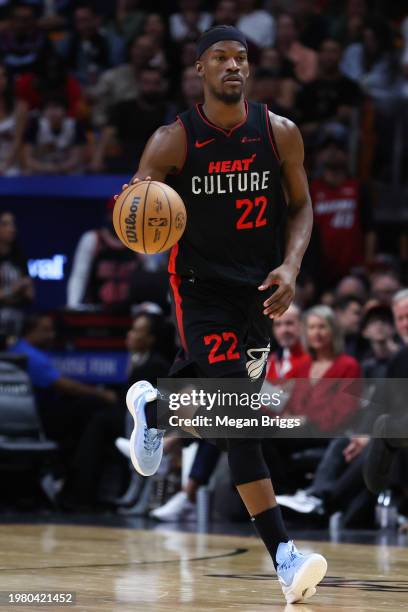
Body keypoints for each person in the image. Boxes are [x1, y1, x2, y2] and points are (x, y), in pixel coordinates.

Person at [115, 25, 327, 604]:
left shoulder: (279, 133)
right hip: (200, 289)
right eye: (220, 58)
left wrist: (290, 266)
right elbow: (135, 206)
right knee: (242, 419)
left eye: (241, 58)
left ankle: (154, 407)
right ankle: (285, 556)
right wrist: (134, 204)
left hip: (259, 290)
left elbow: (303, 206)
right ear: (200, 71)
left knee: (222, 410)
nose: (233, 66)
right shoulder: (173, 140)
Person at [311, 136, 376, 287]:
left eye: (338, 148)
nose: (333, 152)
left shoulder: (359, 187)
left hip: (354, 266)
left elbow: (370, 230)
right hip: (320, 267)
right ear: (319, 156)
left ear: (347, 154)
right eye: (327, 148)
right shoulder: (311, 189)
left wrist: (368, 264)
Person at [22, 96, 86, 175]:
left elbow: (77, 158)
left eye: (56, 107)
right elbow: (28, 159)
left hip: (67, 170)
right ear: (43, 111)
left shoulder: (75, 125)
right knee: (27, 172)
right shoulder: (35, 125)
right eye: (49, 108)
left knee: (78, 173)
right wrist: (47, 168)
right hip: (41, 168)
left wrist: (59, 168)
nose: (53, 112)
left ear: (65, 110)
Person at [0, 210, 33, 340]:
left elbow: (30, 294)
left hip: (16, 324)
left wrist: (5, 294)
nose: (12, 229)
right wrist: (13, 290)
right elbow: (19, 289)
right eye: (5, 224)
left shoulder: (19, 258)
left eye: (13, 224)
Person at [0, 63, 26, 176]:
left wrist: (4, 166)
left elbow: (18, 141)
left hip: (11, 164)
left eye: (3, 76)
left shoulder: (20, 107)